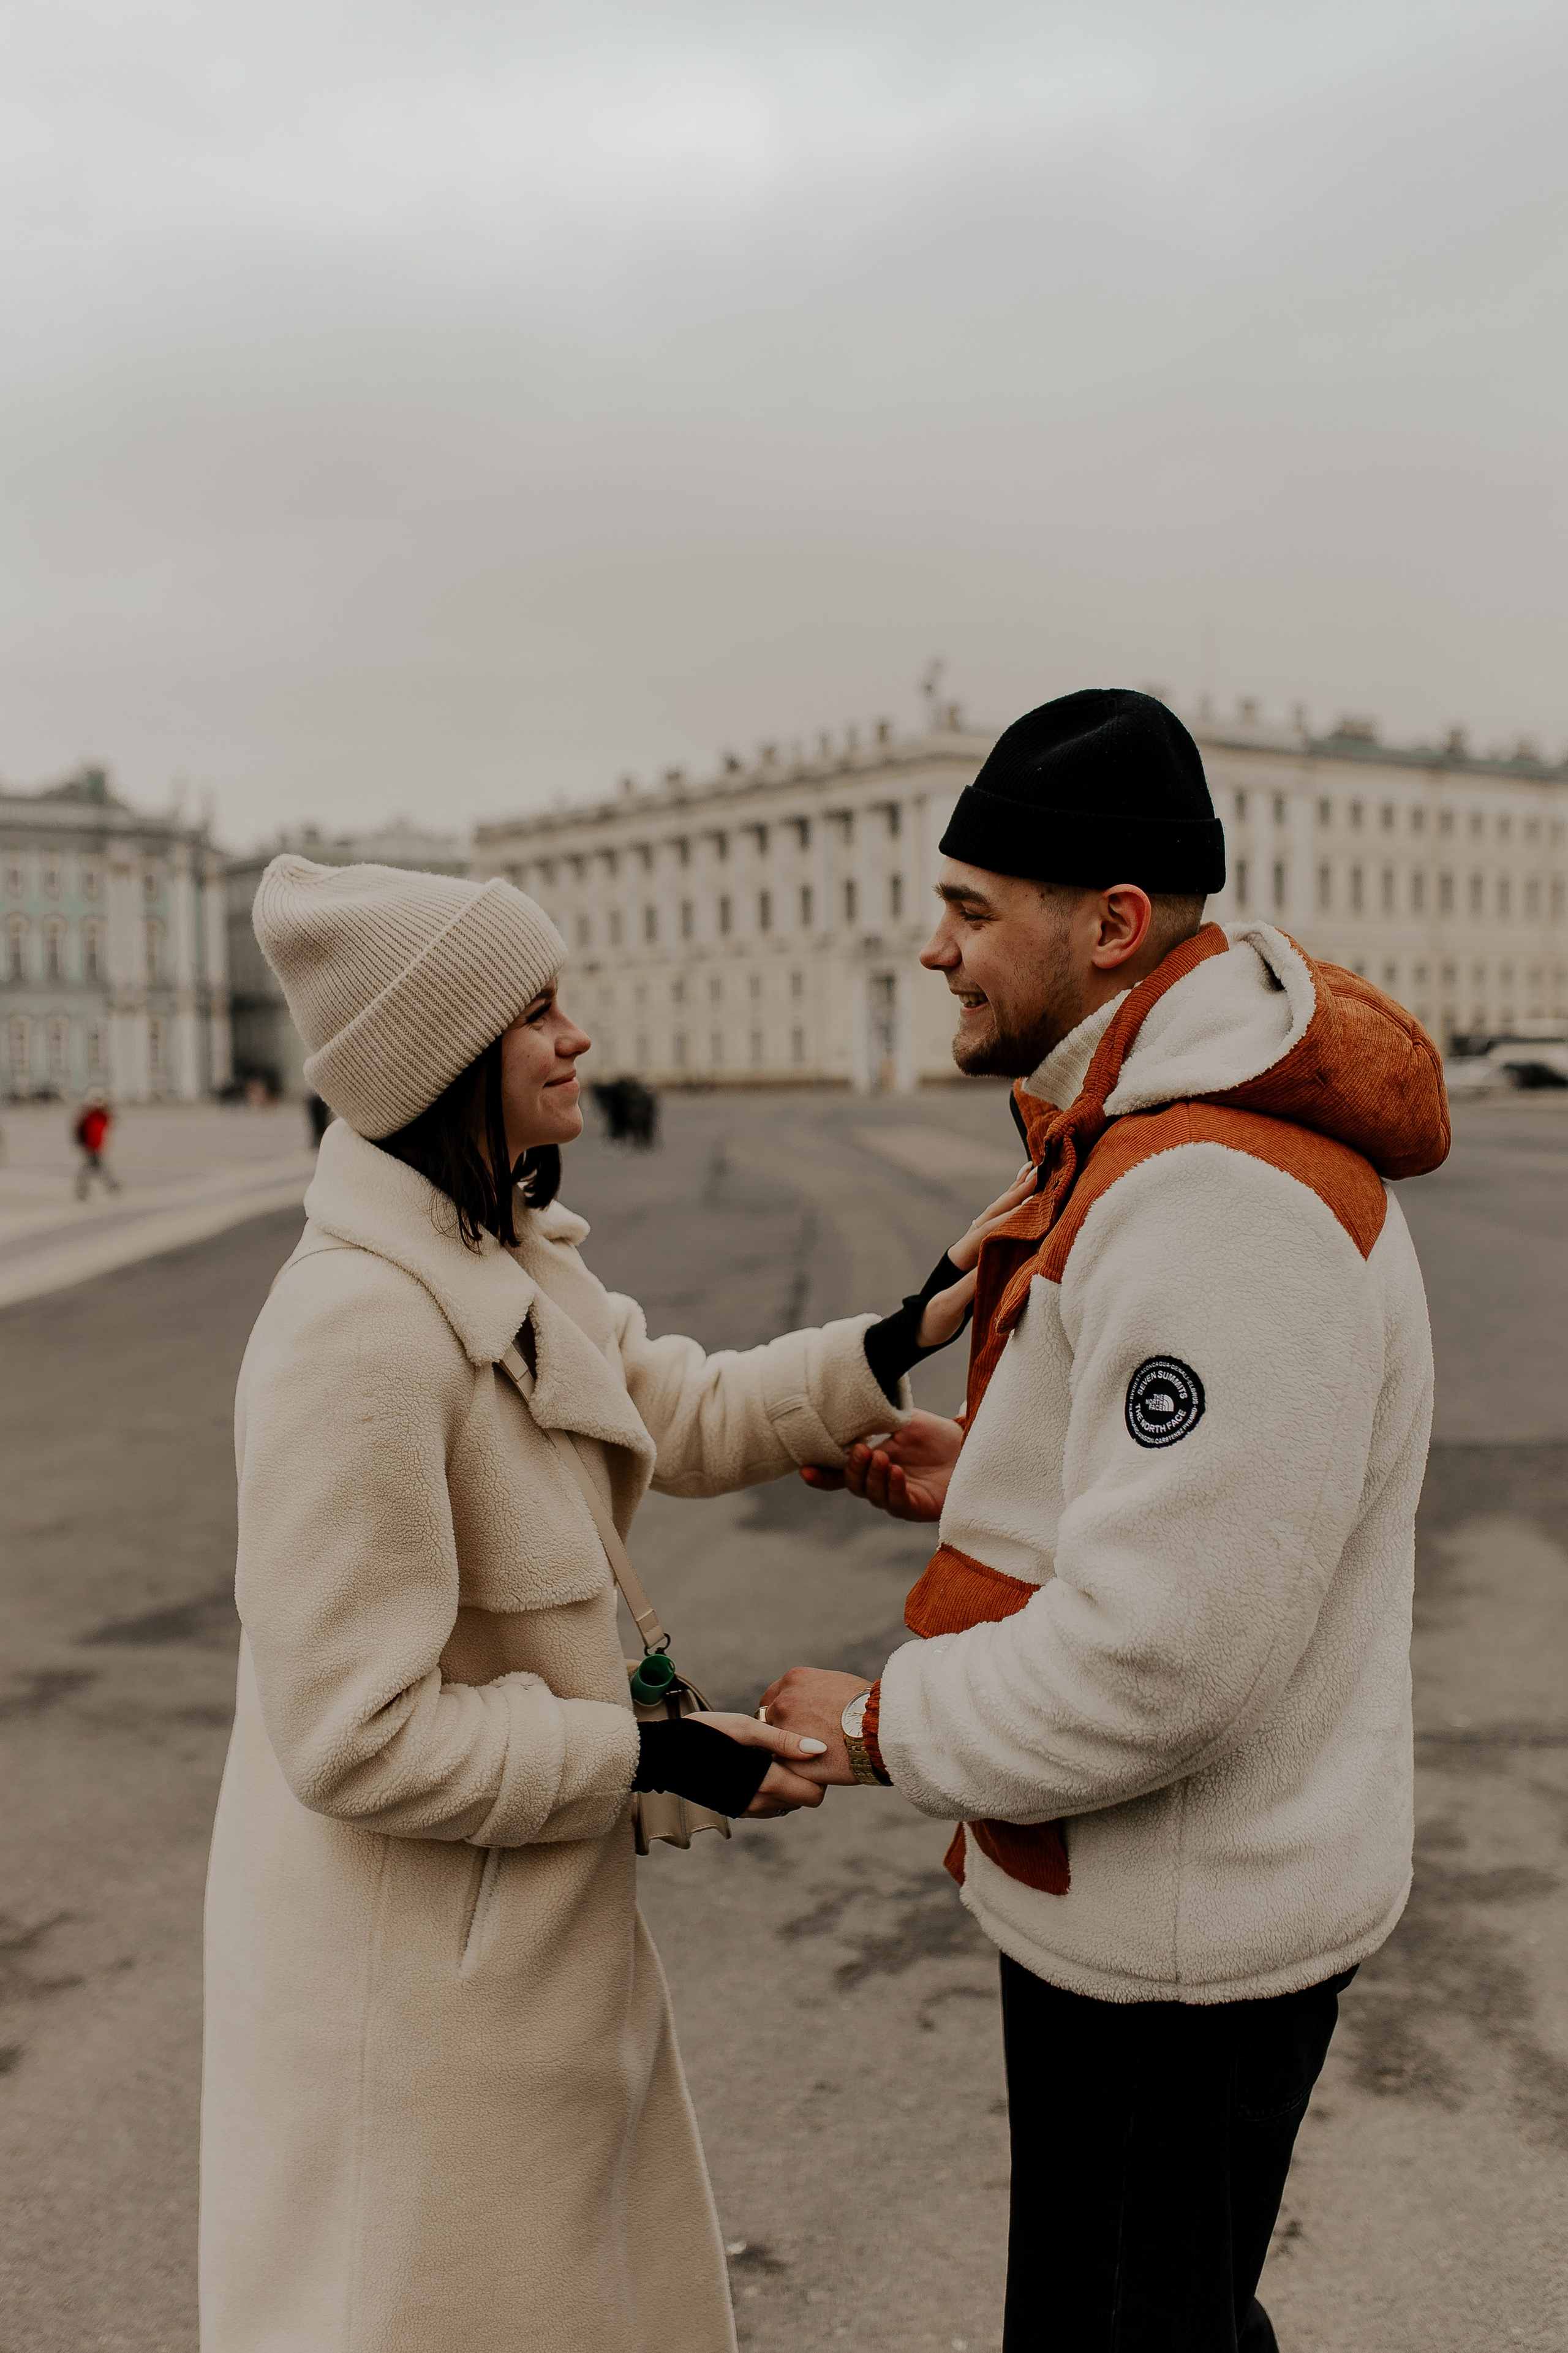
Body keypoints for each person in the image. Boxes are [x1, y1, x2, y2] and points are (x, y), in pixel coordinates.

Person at [201, 854, 1019, 2353]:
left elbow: (679, 1405)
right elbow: (352, 1734)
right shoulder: (359, 1333)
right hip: (422, 2006)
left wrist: (899, 1330)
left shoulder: (496, 1250)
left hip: (525, 1955)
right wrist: (652, 1750)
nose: (576, 1037)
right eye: (536, 1011)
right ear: (445, 1061)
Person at [761, 688, 1452, 2353]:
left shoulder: (1213, 1195)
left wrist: (873, 1723)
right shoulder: (1157, 1142)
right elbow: (1197, 1505)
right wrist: (1001, 1468)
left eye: (974, 912)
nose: (935, 949)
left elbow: (1163, 1656)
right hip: (1161, 1917)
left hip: (1180, 1954)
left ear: (1115, 925)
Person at [72, 1095, 120, 1198]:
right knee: (95, 1169)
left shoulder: (101, 1117)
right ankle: (111, 1186)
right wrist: (83, 1145)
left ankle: (84, 1189)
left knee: (93, 1169)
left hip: (98, 1147)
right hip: (90, 1148)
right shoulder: (89, 1118)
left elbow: (110, 1119)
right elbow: (79, 1131)